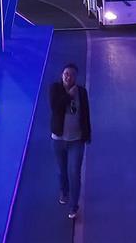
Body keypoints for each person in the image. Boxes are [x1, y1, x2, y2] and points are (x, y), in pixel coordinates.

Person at [50, 63, 91, 220]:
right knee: (62, 170)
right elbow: (55, 107)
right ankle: (64, 191)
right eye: (66, 73)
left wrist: (87, 135)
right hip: (59, 139)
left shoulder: (82, 92)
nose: (68, 77)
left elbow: (86, 114)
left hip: (76, 140)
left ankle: (74, 205)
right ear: (62, 75)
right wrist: (69, 96)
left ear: (76, 77)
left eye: (72, 74)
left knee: (74, 172)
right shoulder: (55, 89)